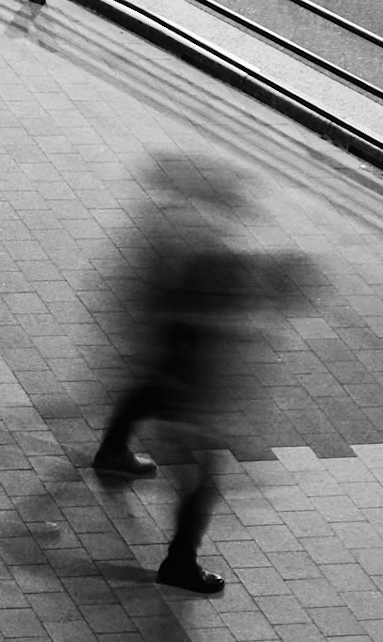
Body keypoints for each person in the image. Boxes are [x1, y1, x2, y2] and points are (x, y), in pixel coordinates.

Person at [87, 156, 309, 598]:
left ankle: (113, 450)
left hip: (168, 361)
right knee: (204, 479)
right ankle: (180, 563)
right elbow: (201, 309)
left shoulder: (174, 224)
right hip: (190, 381)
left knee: (148, 394)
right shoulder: (200, 240)